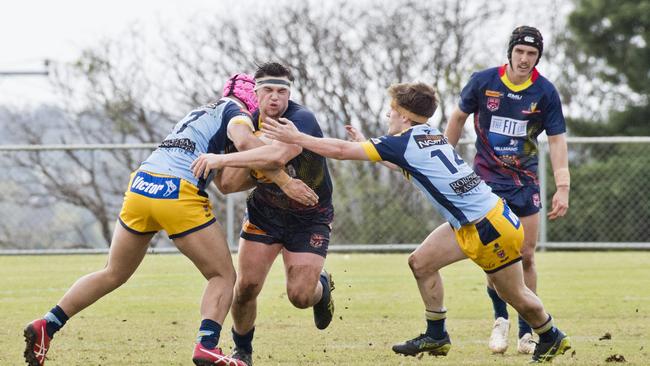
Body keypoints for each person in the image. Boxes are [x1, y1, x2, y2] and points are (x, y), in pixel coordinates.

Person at [257, 81, 571, 363]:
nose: (388, 116)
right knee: (420, 262)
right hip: (478, 220)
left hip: (488, 227)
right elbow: (407, 164)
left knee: (514, 295)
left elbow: (340, 151)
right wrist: (369, 144)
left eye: (391, 111)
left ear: (405, 117)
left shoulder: (401, 142)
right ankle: (436, 336)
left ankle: (550, 334)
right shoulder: (427, 133)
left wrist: (297, 137)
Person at [23, 73, 317, 366]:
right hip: (176, 192)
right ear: (251, 99)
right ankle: (207, 346)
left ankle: (47, 324)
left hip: (141, 186)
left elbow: (224, 183)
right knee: (223, 276)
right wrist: (283, 180)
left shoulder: (199, 112)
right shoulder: (236, 113)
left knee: (113, 272)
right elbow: (243, 142)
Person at [192, 62, 335, 366]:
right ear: (255, 93)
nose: (275, 97)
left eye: (282, 91)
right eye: (268, 90)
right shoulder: (244, 124)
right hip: (265, 214)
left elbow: (278, 155)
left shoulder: (300, 119)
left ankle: (321, 289)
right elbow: (229, 184)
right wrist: (262, 169)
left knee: (299, 296)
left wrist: (224, 158)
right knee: (245, 288)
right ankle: (243, 350)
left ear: (290, 94)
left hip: (310, 216)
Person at [444, 25, 570, 354]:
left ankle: (527, 333)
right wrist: (444, 160)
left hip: (525, 184)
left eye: (532, 54)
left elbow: (556, 140)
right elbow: (457, 118)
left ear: (538, 57)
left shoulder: (545, 92)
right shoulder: (484, 82)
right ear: (510, 52)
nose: (525, 59)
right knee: (495, 256)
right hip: (485, 184)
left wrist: (563, 186)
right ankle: (500, 319)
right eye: (520, 52)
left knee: (526, 256)